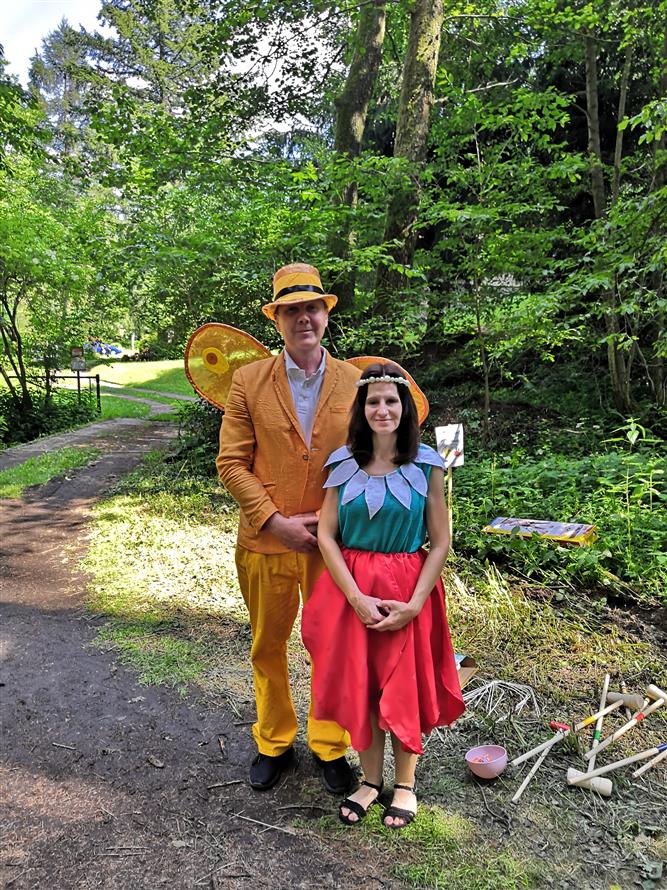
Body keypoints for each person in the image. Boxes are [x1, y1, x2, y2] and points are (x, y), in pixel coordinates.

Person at [216, 263, 361, 793]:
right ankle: (274, 740)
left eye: (312, 308)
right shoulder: (248, 381)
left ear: (326, 314)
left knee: (331, 644)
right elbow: (231, 463)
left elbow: (369, 460)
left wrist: (331, 519)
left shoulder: (356, 382)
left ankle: (330, 744)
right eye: (292, 309)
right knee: (267, 644)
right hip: (265, 540)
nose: (304, 318)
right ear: (276, 319)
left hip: (333, 543)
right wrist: (275, 521)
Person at [302, 362, 465, 829]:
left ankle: (406, 785)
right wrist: (355, 597)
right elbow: (327, 535)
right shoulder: (341, 464)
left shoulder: (428, 464)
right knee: (364, 685)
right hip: (353, 594)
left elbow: (441, 542)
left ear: (405, 407)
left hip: (407, 592)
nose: (382, 409)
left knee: (403, 685)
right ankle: (371, 781)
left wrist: (415, 604)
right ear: (362, 408)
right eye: (373, 401)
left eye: (391, 400)